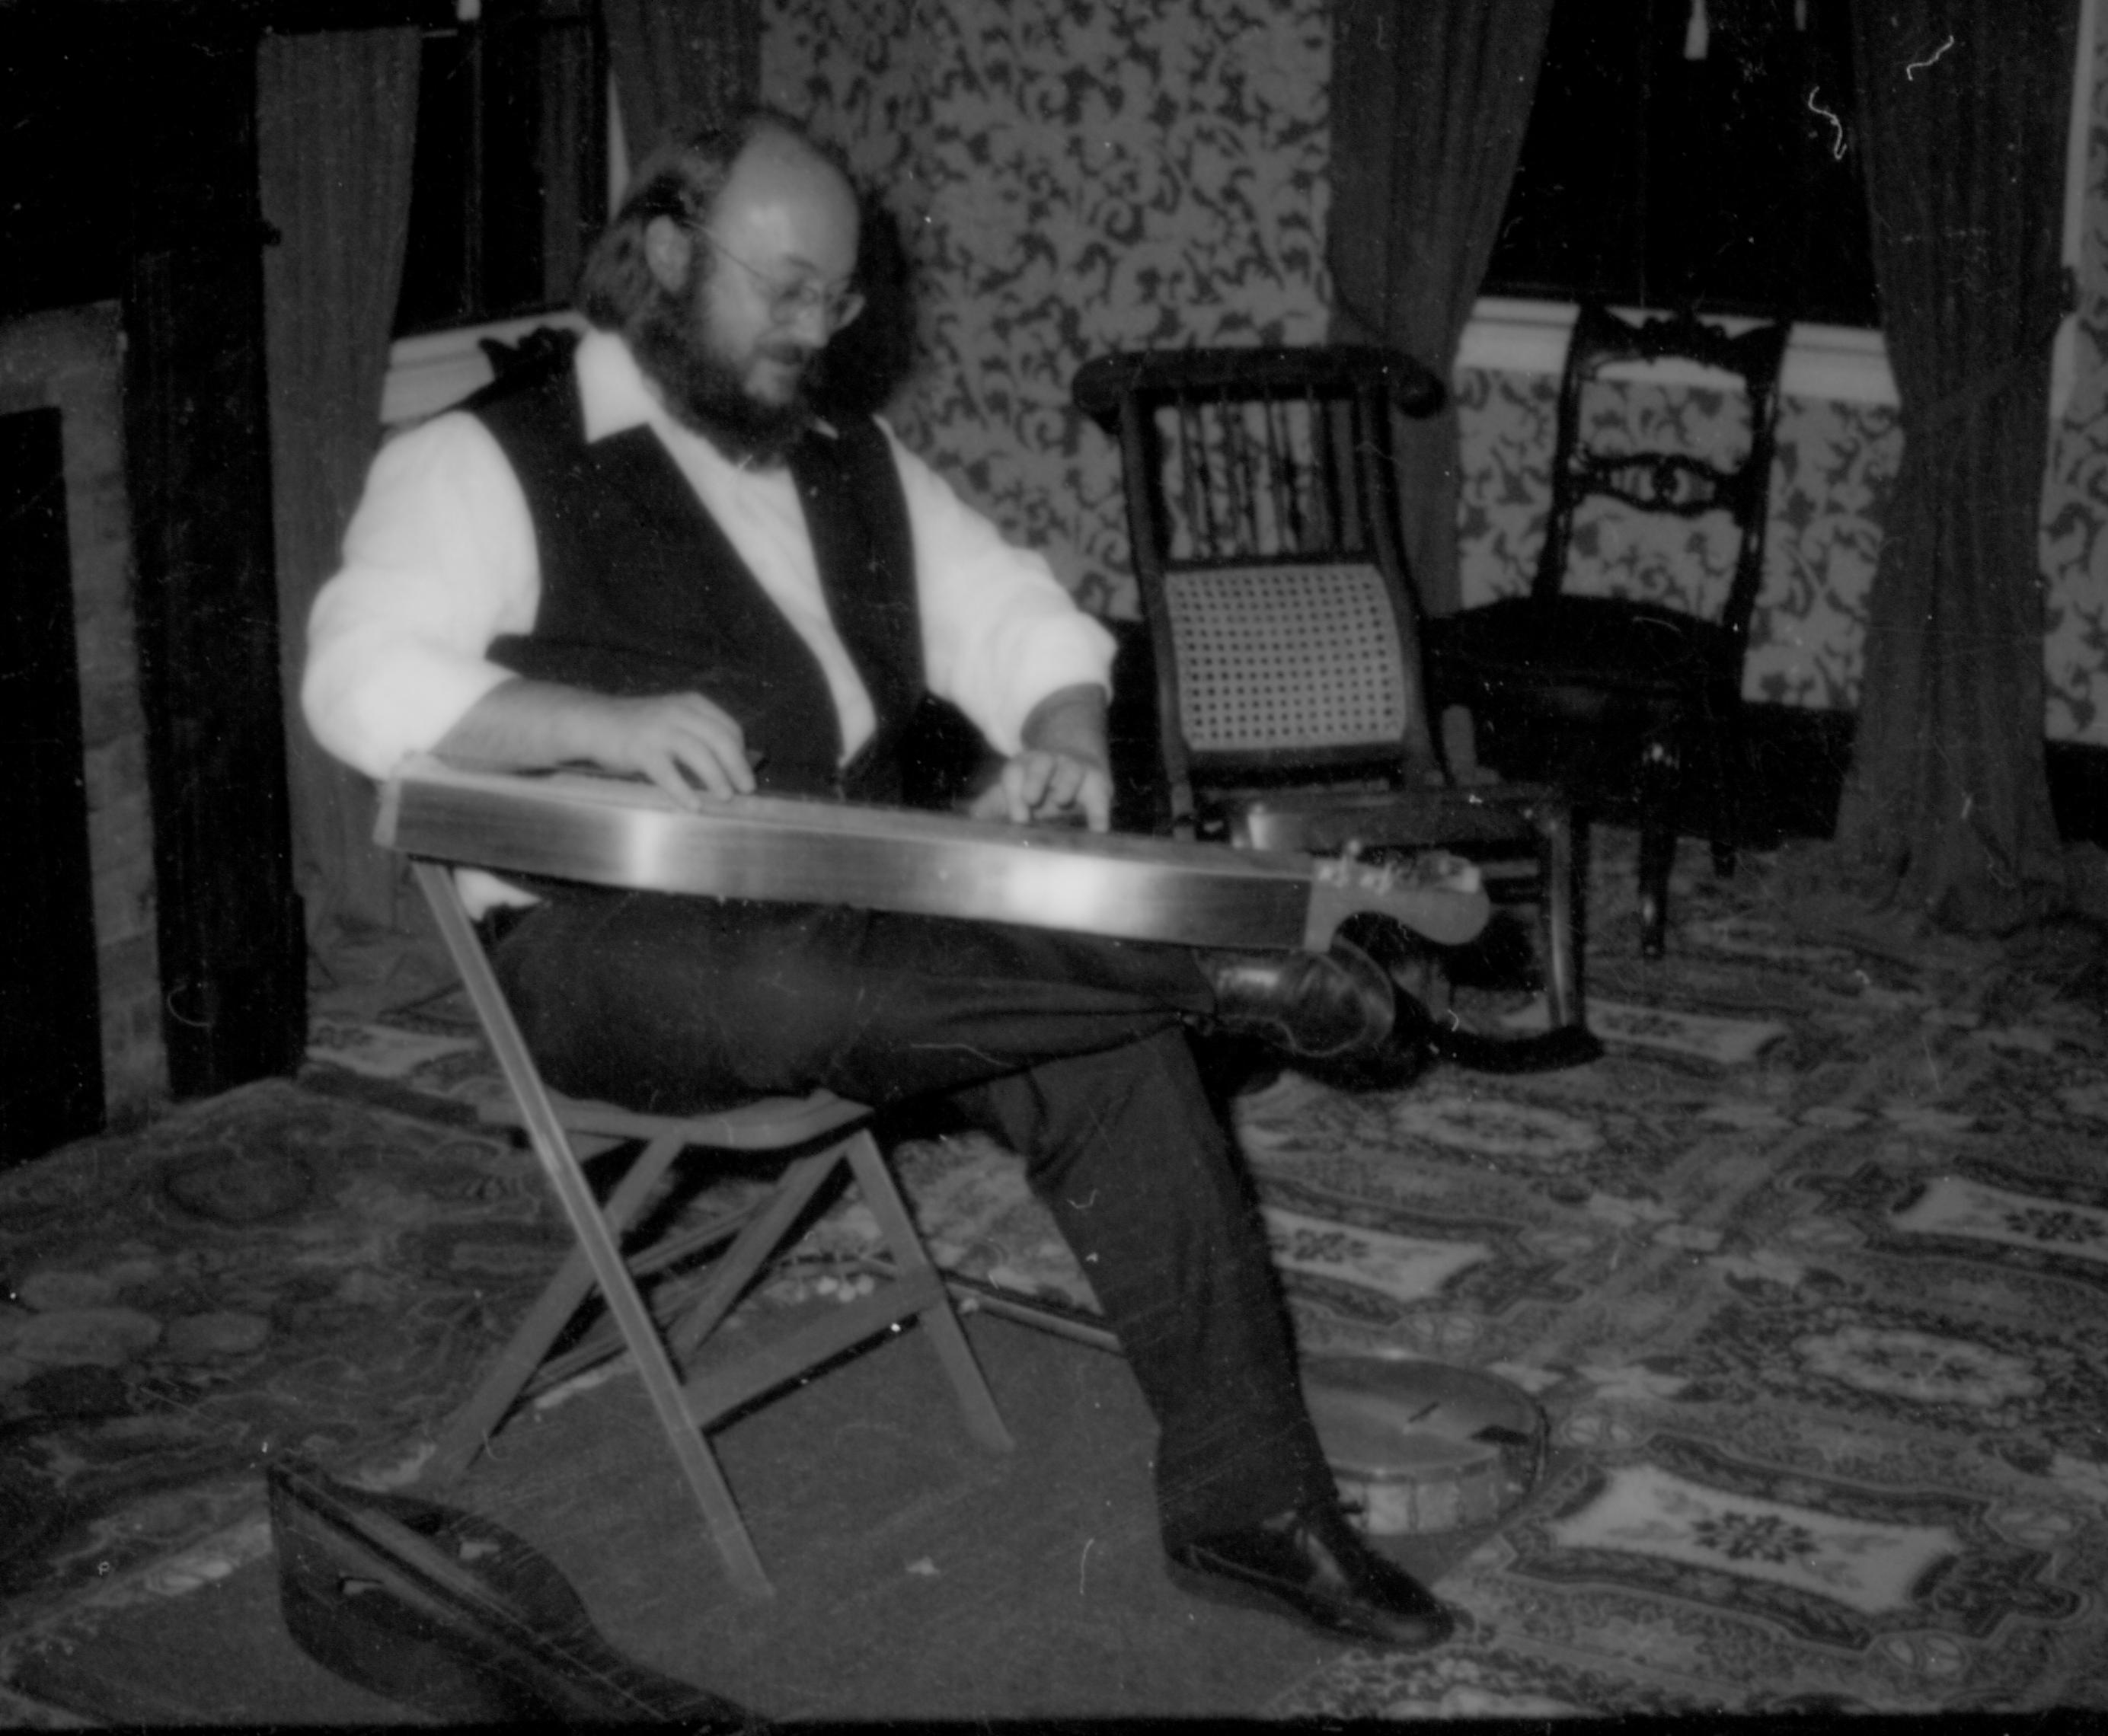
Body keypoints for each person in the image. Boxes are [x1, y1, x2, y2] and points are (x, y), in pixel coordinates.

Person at [302, 107, 1452, 1651]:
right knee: (841, 981)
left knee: (1104, 1043)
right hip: (607, 956)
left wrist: (1056, 740)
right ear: (661, 252)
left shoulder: (856, 460)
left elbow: (1026, 620)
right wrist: (593, 723)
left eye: (830, 301)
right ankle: (1213, 962)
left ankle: (1253, 1506)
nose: (810, 332)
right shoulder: (482, 458)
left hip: (868, 927)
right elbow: (358, 681)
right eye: (780, 288)